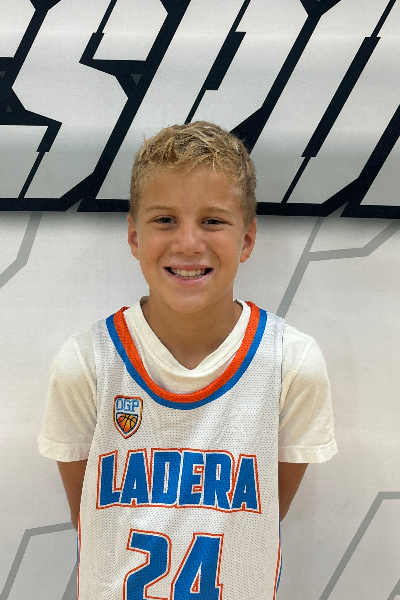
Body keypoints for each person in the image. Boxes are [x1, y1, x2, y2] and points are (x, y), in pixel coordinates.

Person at [38, 121, 337, 599]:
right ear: (134, 236)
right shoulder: (87, 363)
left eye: (213, 221)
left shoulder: (291, 363)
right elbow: (89, 515)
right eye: (165, 220)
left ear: (247, 238)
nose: (189, 243)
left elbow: (265, 514)